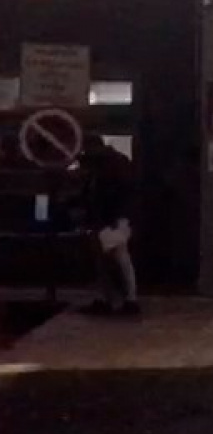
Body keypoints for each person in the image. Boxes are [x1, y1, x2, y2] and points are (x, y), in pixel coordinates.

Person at [79, 134, 139, 316]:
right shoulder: (115, 163)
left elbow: (103, 195)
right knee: (121, 259)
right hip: (117, 219)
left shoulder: (103, 168)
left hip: (111, 220)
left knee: (110, 260)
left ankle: (114, 299)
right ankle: (127, 299)